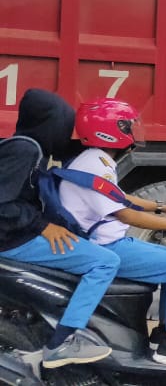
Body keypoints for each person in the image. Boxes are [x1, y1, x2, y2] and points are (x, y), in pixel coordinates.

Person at [57, 98, 166, 369]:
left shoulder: (94, 158)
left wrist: (165, 207)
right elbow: (127, 214)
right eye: (127, 126)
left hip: (107, 240)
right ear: (110, 130)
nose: (133, 132)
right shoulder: (97, 162)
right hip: (106, 245)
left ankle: (165, 332)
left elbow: (119, 197)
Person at [0, 89, 120, 368]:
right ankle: (61, 343)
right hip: (13, 239)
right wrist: (42, 226)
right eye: (63, 126)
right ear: (49, 124)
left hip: (18, 233)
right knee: (105, 261)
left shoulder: (29, 146)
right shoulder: (26, 149)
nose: (66, 134)